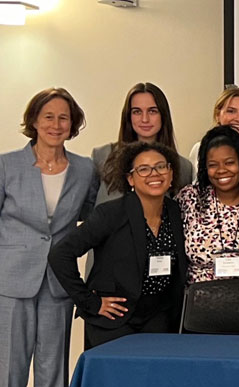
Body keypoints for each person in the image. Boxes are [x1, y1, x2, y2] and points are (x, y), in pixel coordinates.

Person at [0, 88, 97, 387]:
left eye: (64, 118)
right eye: (49, 117)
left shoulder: (85, 169)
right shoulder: (7, 166)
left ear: (72, 124)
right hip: (11, 281)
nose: (57, 125)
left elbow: (91, 221)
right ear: (34, 120)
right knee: (8, 375)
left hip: (58, 283)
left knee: (53, 375)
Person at [49, 142, 188, 350]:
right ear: (130, 178)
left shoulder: (175, 211)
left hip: (158, 320)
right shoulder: (110, 214)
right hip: (115, 321)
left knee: (154, 381)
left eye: (160, 166)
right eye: (143, 169)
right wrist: (90, 302)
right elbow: (60, 255)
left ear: (170, 173)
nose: (154, 174)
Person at [176, 126, 239, 284]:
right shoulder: (190, 199)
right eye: (213, 165)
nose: (222, 170)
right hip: (197, 300)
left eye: (229, 162)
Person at [91, 82, 193, 204]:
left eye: (152, 111)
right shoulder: (103, 156)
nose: (145, 119)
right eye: (137, 112)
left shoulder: (183, 167)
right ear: (128, 117)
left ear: (163, 115)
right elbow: (88, 211)